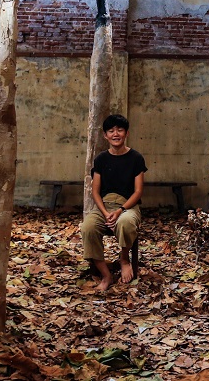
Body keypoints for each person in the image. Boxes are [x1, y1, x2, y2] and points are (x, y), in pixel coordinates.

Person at [80, 114, 146, 290]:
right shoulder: (101, 159)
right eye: (111, 131)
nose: (115, 134)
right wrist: (105, 212)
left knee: (125, 222)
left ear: (126, 133)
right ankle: (106, 275)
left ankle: (124, 259)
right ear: (105, 135)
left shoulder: (136, 158)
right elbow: (95, 191)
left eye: (120, 130)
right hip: (104, 206)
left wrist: (120, 210)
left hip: (128, 205)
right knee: (88, 228)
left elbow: (138, 191)